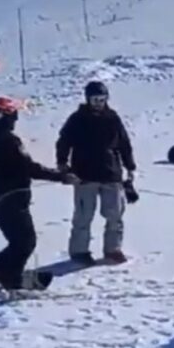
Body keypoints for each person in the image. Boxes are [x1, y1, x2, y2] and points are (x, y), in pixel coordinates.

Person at [0, 96, 79, 290]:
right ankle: (11, 278)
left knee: (18, 241)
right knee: (25, 242)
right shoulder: (7, 140)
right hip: (11, 199)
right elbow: (29, 168)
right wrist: (62, 177)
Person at [55, 80, 135, 265]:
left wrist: (130, 167)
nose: (99, 102)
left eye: (102, 99)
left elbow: (124, 144)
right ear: (88, 99)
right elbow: (64, 142)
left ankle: (113, 249)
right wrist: (62, 164)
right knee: (83, 216)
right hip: (84, 176)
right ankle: (79, 252)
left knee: (115, 215)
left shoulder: (113, 118)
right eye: (95, 99)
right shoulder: (77, 119)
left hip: (111, 174)